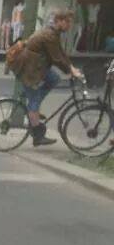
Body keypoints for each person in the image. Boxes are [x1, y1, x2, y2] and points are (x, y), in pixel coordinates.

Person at [15, 8, 83, 146]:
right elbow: (56, 58)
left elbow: (61, 52)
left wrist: (71, 67)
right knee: (34, 101)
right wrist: (70, 71)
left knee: (54, 78)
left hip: (36, 67)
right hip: (30, 71)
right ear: (59, 21)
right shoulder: (50, 35)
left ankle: (33, 109)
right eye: (67, 22)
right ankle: (37, 135)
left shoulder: (53, 32)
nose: (69, 26)